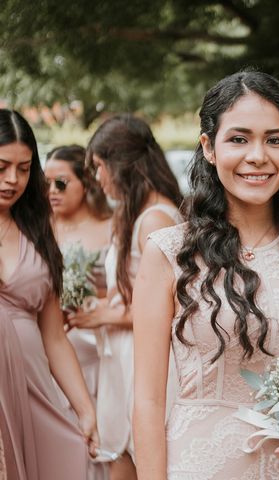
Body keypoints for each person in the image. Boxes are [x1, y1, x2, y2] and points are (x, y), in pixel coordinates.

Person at [132, 70, 279, 480]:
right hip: (197, 466)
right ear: (209, 147)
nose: (258, 155)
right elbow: (146, 400)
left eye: (275, 140)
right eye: (239, 139)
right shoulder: (168, 251)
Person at [67, 114, 183, 480]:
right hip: (121, 353)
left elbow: (169, 306)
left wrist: (103, 317)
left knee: (133, 457)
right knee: (120, 458)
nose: (98, 179)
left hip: (141, 357)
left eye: (99, 167)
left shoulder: (156, 219)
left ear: (121, 165)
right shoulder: (137, 214)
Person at [0, 109, 99, 479]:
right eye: (2, 166)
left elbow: (55, 337)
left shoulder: (38, 231)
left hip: (33, 391)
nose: (13, 179)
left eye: (24, 168)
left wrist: (85, 408)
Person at [45, 144, 112, 480]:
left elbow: (121, 290)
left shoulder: (110, 227)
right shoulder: (40, 227)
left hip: (94, 346)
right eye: (45, 183)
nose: (51, 192)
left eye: (61, 183)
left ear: (86, 182)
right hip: (49, 346)